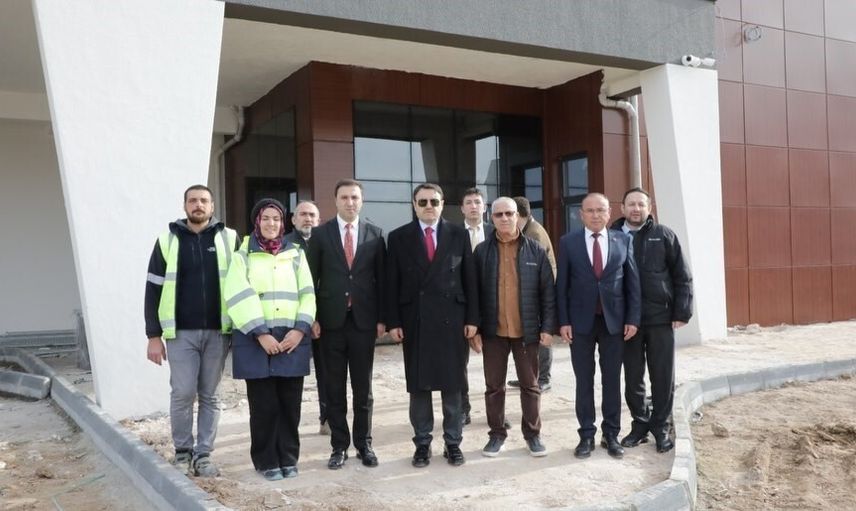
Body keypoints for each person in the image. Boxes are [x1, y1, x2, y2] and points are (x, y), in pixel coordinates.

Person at [144, 184, 239, 477]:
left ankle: (204, 455)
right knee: (183, 393)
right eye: (193, 200)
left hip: (218, 332)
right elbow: (152, 289)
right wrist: (153, 336)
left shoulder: (229, 238)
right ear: (184, 205)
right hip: (180, 333)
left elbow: (242, 285)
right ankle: (183, 452)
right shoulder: (167, 241)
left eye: (204, 201)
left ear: (212, 206)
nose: (198, 205)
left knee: (210, 395)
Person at [387, 183, 479, 468]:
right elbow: (392, 283)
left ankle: (453, 443)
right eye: (423, 202)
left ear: (442, 204)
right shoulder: (398, 237)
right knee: (419, 388)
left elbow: (470, 279)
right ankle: (422, 444)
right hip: (415, 321)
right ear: (414, 205)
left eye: (434, 202)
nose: (429, 206)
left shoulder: (458, 234)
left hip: (452, 321)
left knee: (453, 386)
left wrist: (473, 319)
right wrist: (393, 322)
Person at [224, 198, 316, 480]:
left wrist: (300, 329)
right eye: (266, 218)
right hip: (257, 340)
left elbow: (308, 294)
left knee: (290, 405)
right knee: (264, 407)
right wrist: (261, 333)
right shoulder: (242, 256)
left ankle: (288, 458)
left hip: (291, 339)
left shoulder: (296, 254)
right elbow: (237, 296)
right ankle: (266, 461)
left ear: (283, 222)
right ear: (257, 221)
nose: (271, 224)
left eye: (276, 219)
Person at [307, 179, 386, 470]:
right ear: (336, 200)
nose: (350, 202)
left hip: (363, 322)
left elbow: (383, 280)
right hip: (331, 323)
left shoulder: (375, 234)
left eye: (354, 197)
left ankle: (364, 444)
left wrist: (382, 319)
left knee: (363, 389)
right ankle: (339, 446)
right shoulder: (320, 234)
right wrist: (313, 317)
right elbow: (310, 279)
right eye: (344, 197)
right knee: (334, 388)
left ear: (361, 201)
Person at [556, 192, 641, 460]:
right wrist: (563, 321)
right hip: (580, 323)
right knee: (584, 380)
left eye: (600, 210)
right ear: (581, 214)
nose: (595, 215)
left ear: (609, 213)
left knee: (612, 380)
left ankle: (611, 434)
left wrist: (633, 319)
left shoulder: (623, 240)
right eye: (590, 210)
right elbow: (562, 286)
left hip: (614, 323)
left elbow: (632, 284)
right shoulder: (568, 242)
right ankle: (586, 435)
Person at [469, 197, 556, 458]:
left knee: (531, 386)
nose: (505, 218)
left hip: (526, 333)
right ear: (491, 218)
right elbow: (474, 293)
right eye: (499, 215)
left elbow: (548, 293)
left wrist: (547, 327)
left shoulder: (535, 250)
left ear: (518, 216)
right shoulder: (481, 252)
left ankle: (533, 435)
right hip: (493, 333)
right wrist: (475, 330)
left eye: (509, 213)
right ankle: (497, 435)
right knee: (494, 387)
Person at [611, 188, 693, 453]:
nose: (636, 209)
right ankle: (640, 424)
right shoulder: (612, 236)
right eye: (631, 204)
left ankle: (661, 426)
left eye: (641, 204)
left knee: (662, 375)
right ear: (622, 208)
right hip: (627, 321)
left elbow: (682, 275)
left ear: (649, 208)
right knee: (633, 377)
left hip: (660, 317)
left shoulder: (664, 235)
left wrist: (681, 311)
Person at [283, 200, 329, 436]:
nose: (307, 218)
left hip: (323, 320)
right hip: (293, 322)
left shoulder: (327, 242)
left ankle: (326, 418)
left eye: (312, 215)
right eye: (302, 214)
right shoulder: (283, 245)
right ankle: (288, 425)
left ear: (319, 220)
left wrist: (316, 317)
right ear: (293, 220)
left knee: (326, 372)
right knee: (291, 375)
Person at [507, 196, 557, 393]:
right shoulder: (529, 229)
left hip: (539, 294)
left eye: (511, 213)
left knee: (542, 338)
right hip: (531, 293)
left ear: (518, 214)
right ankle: (529, 376)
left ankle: (543, 378)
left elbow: (537, 268)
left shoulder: (534, 233)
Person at [459, 187, 494, 426]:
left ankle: (496, 412)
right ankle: (463, 409)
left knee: (495, 364)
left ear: (484, 207)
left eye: (477, 202)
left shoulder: (495, 232)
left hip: (492, 307)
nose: (473, 206)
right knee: (459, 364)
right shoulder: (452, 234)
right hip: (461, 308)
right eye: (469, 202)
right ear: (462, 208)